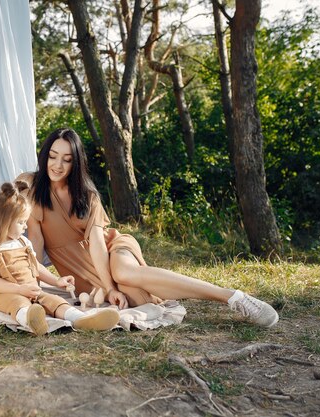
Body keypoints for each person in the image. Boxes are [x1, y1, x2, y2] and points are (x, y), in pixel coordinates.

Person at [17, 127, 279, 328]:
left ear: (76, 163)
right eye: (52, 156)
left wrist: (109, 287)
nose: (57, 165)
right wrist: (27, 282)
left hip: (112, 250)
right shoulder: (33, 187)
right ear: (45, 154)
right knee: (140, 299)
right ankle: (155, 286)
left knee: (123, 273)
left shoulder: (87, 196)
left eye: (66, 159)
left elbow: (98, 243)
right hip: (82, 273)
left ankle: (232, 297)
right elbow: (35, 246)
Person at [0, 181, 121, 335]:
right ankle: (31, 321)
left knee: (55, 300)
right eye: (21, 222)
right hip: (6, 294)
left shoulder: (23, 242)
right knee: (18, 304)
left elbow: (37, 267)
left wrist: (56, 281)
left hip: (32, 290)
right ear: (3, 222)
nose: (25, 226)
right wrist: (19, 289)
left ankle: (81, 319)